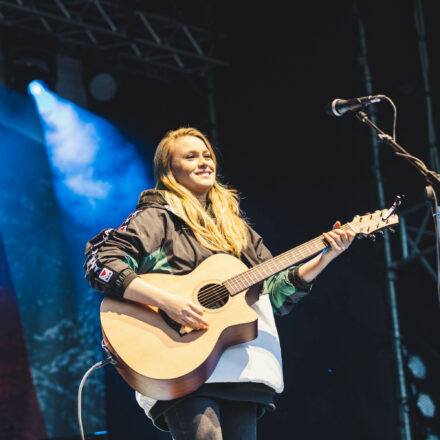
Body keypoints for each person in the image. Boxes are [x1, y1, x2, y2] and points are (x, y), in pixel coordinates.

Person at [84, 127, 355, 439]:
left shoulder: (237, 230)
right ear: (170, 170)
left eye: (207, 155)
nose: (204, 162)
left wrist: (326, 257)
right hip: (181, 361)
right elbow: (101, 261)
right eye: (190, 156)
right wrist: (168, 303)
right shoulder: (157, 218)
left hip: (242, 367)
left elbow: (274, 294)